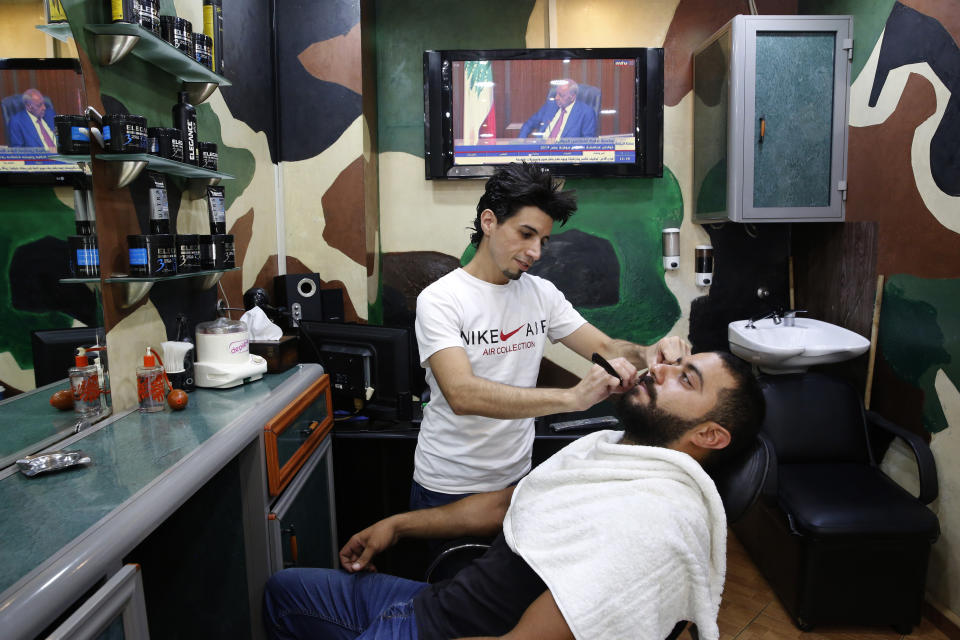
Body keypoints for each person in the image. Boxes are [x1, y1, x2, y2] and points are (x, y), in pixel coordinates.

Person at [263, 350, 766, 640]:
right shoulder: (612, 449)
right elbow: (506, 503)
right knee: (282, 595)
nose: (659, 370)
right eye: (673, 363)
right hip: (437, 602)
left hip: (445, 632)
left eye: (685, 378)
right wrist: (395, 525)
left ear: (710, 436)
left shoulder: (650, 522)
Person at [411, 162, 687, 511]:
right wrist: (573, 398)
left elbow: (603, 347)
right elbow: (462, 394)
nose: (536, 253)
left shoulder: (541, 294)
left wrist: (648, 354)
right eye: (525, 234)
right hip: (448, 485)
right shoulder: (441, 299)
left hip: (516, 480)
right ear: (489, 222)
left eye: (542, 240)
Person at [518, 79, 597, 140]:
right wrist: (520, 141)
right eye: (556, 94)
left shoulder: (586, 113)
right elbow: (529, 124)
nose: (556, 98)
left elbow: (587, 142)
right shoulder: (550, 105)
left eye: (561, 95)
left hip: (565, 155)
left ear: (572, 97)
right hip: (540, 151)